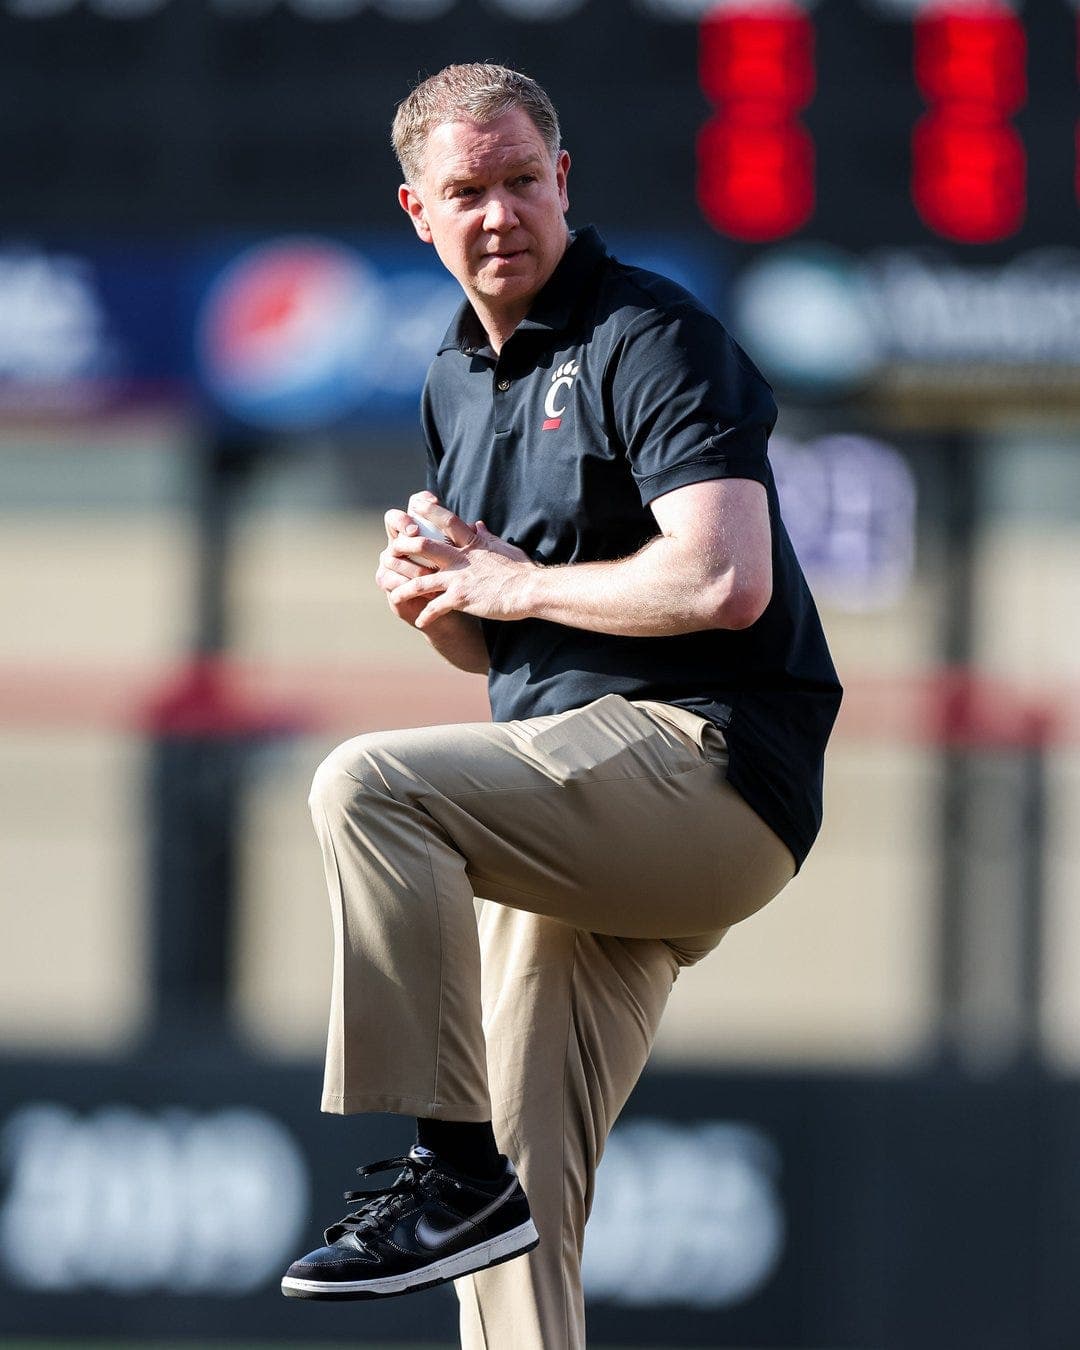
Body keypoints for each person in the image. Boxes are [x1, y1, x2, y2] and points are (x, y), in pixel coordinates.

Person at [280, 62, 841, 1349]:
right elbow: (510, 641)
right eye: (467, 191)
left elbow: (724, 579)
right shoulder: (452, 377)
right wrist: (447, 603)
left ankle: (445, 1165)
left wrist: (513, 582)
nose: (500, 214)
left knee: (368, 786)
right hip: (581, 793)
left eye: (523, 180)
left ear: (564, 181)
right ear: (417, 211)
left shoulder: (648, 332)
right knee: (514, 1233)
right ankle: (476, 1192)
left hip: (706, 770)